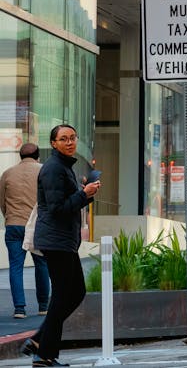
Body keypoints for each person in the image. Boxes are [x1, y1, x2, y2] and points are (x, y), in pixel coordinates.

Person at [24, 124, 100, 367]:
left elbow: (66, 202)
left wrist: (85, 193)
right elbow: (57, 209)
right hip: (56, 241)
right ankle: (44, 354)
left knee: (75, 292)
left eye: (73, 138)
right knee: (62, 296)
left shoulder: (63, 167)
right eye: (63, 139)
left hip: (63, 241)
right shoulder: (53, 169)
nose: (70, 142)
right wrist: (83, 194)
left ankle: (39, 341)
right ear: (54, 143)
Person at [0, 143, 49, 319]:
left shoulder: (7, 173)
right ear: (38, 156)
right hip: (37, 225)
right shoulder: (44, 171)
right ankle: (43, 306)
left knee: (15, 267)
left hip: (13, 225)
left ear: (20, 156)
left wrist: (10, 218)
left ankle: (19, 309)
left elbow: (2, 202)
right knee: (42, 264)